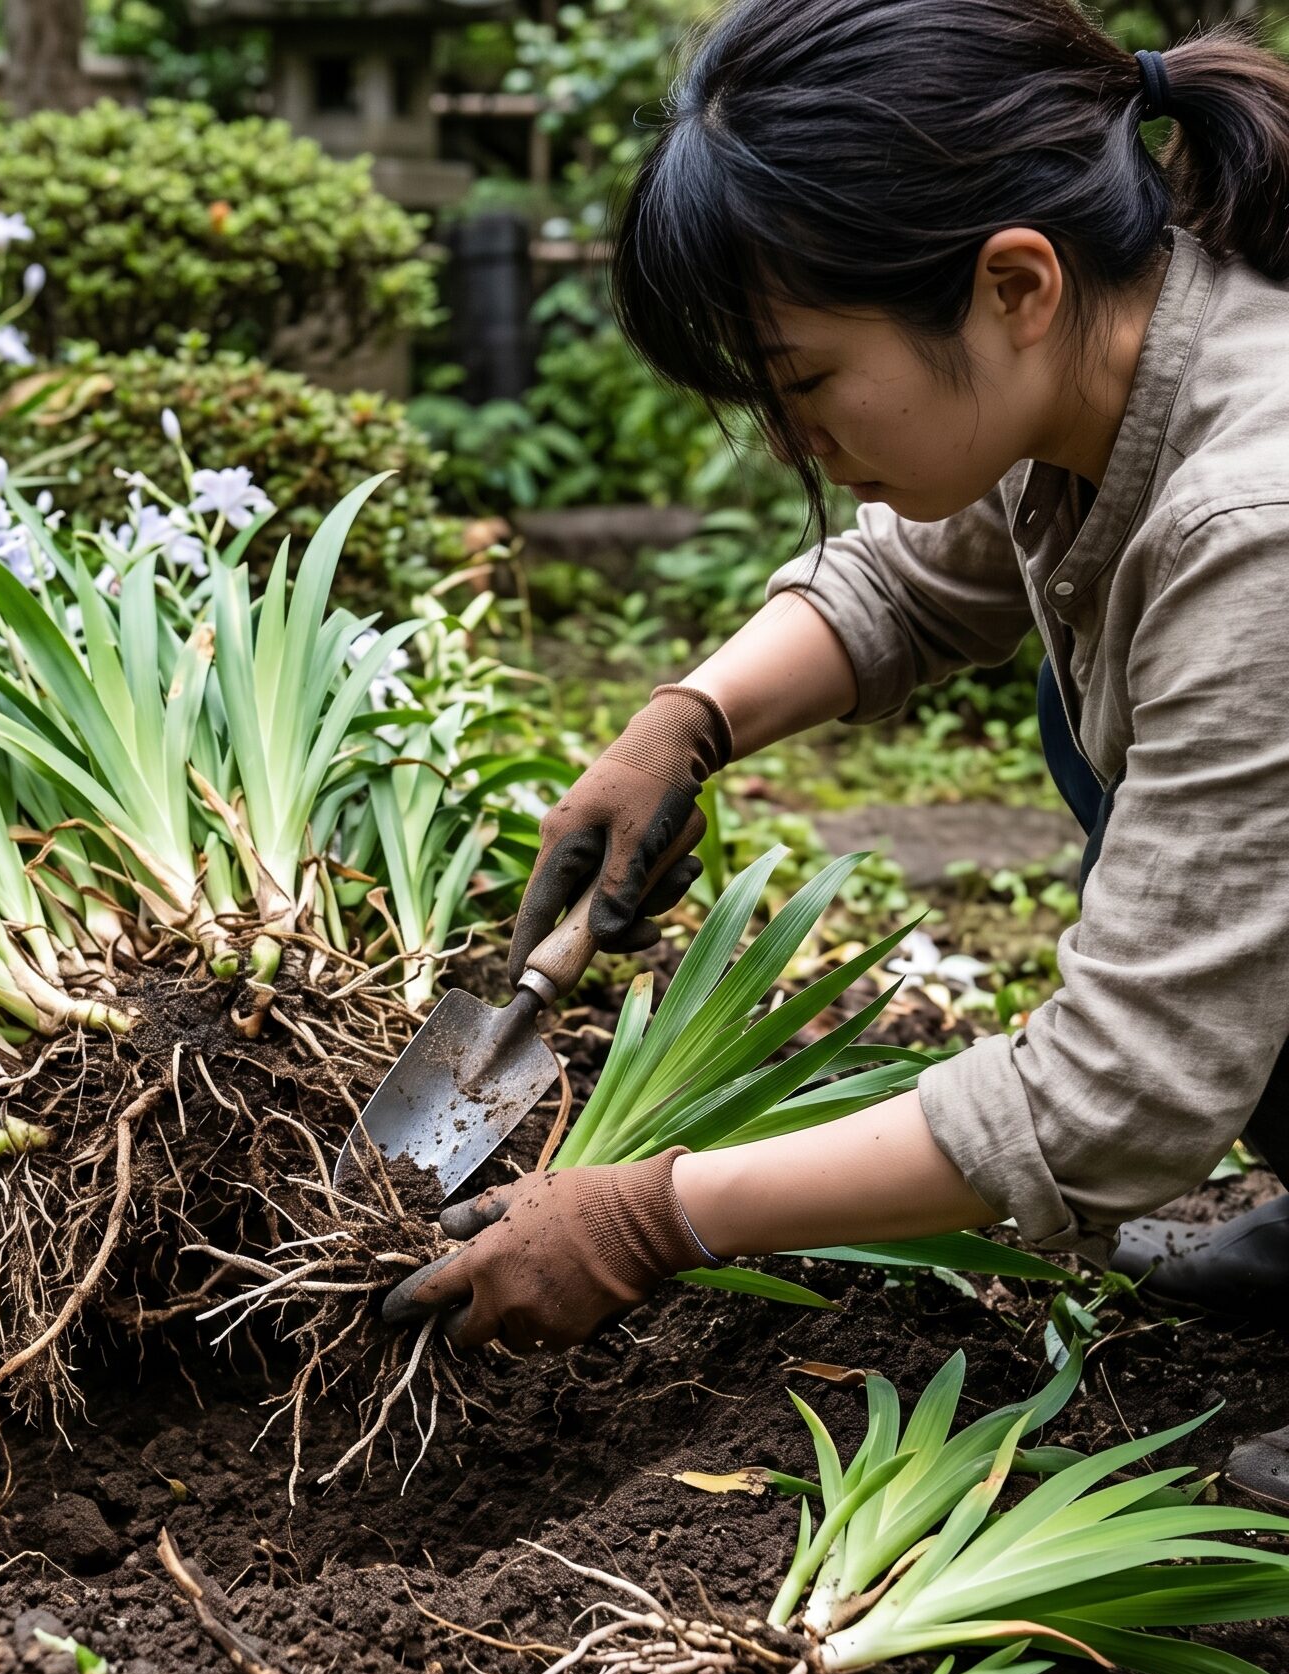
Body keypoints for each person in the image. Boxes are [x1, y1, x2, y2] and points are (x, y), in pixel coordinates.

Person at [384, 0, 1289, 1501]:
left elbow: (1114, 1094)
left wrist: (655, 1214)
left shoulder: (1254, 526)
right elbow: (916, 575)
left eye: (802, 385)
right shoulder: (1115, 351)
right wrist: (689, 718)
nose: (792, 448)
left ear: (1013, 283)